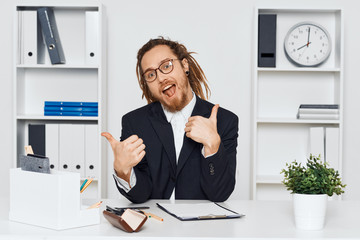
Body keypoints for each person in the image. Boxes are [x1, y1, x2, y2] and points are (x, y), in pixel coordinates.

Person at [102, 37, 238, 203]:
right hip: (154, 225)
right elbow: (140, 196)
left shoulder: (225, 121)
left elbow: (220, 194)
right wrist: (123, 171)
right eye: (151, 74)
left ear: (185, 65)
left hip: (201, 227)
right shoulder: (134, 122)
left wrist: (212, 144)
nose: (160, 78)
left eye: (166, 66)